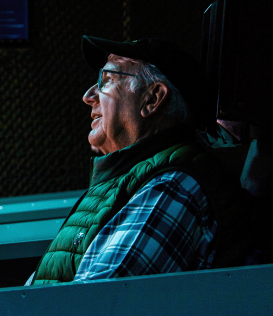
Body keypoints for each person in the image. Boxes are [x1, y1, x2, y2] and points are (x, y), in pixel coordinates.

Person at [28, 36, 251, 285]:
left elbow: (97, 309)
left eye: (107, 80)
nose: (88, 95)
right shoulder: (131, 179)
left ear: (153, 99)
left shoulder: (172, 185)